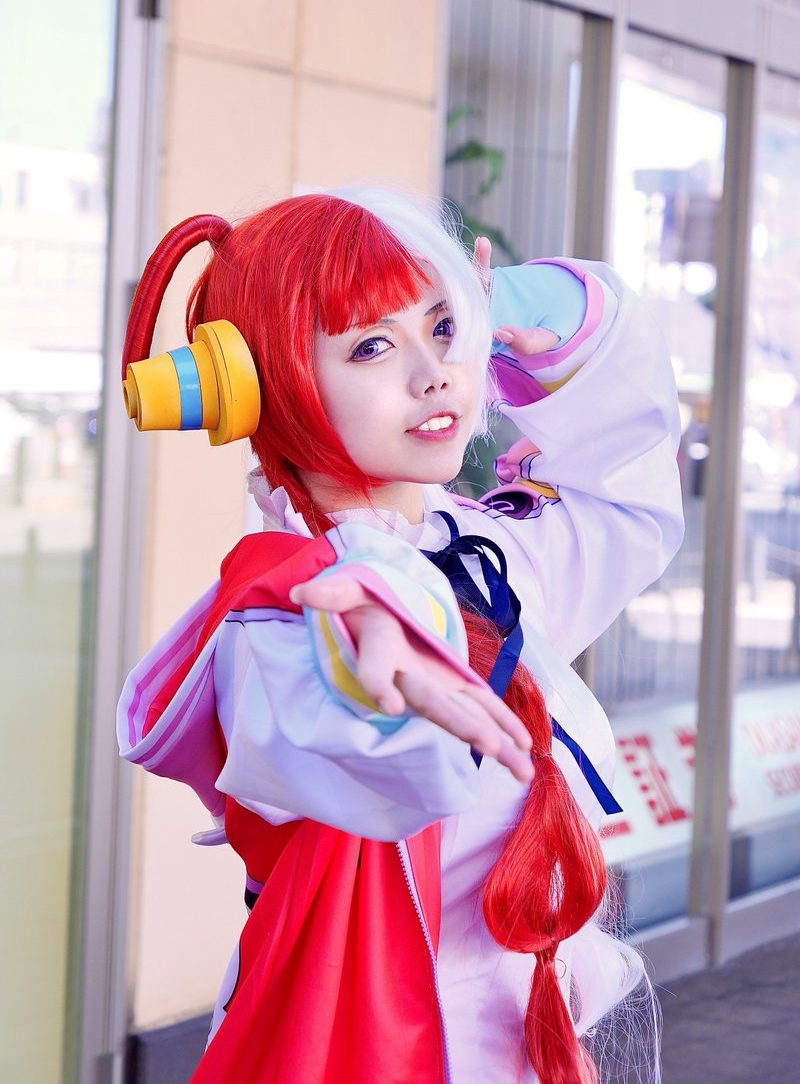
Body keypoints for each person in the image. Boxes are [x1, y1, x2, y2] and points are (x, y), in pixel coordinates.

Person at [117, 187, 683, 1084]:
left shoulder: (481, 551)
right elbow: (360, 742)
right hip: (386, 1051)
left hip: (534, 1044)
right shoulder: (281, 611)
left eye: (442, 328)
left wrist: (517, 309)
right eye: (372, 346)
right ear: (266, 382)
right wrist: (373, 663)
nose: (435, 373)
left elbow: (626, 502)